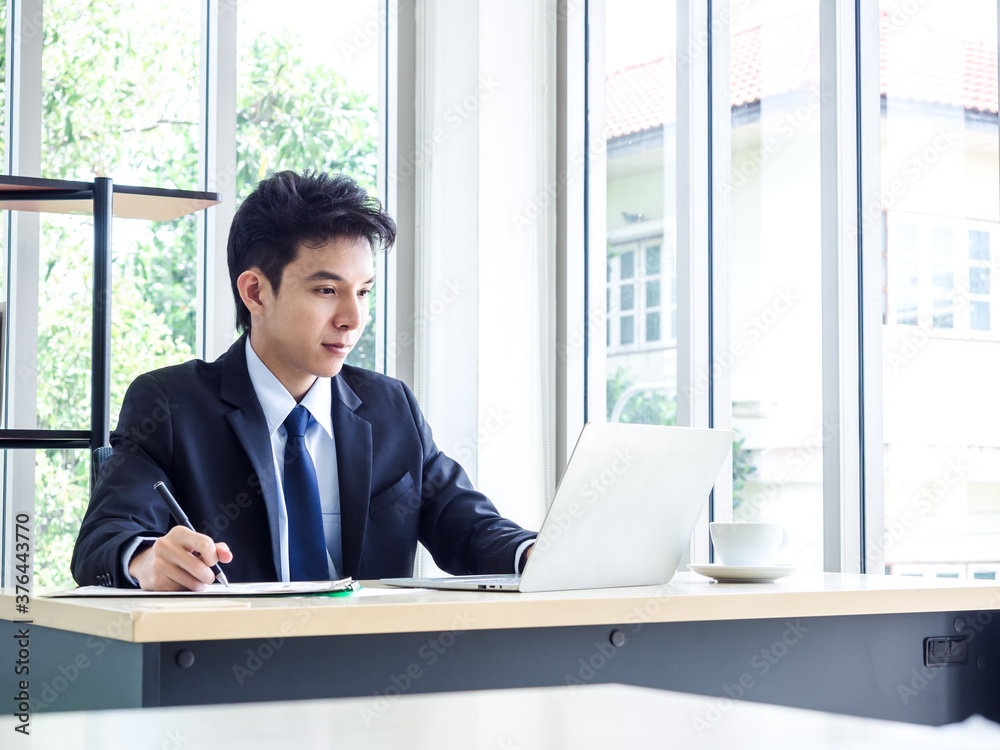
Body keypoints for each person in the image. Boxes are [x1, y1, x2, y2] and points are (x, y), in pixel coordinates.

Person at [71, 170, 536, 591]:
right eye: (327, 291)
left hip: (374, 671)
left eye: (364, 292)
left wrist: (534, 554)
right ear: (255, 292)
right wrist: (147, 559)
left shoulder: (390, 407)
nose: (353, 318)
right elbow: (102, 541)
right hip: (224, 671)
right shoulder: (171, 405)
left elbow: (470, 528)